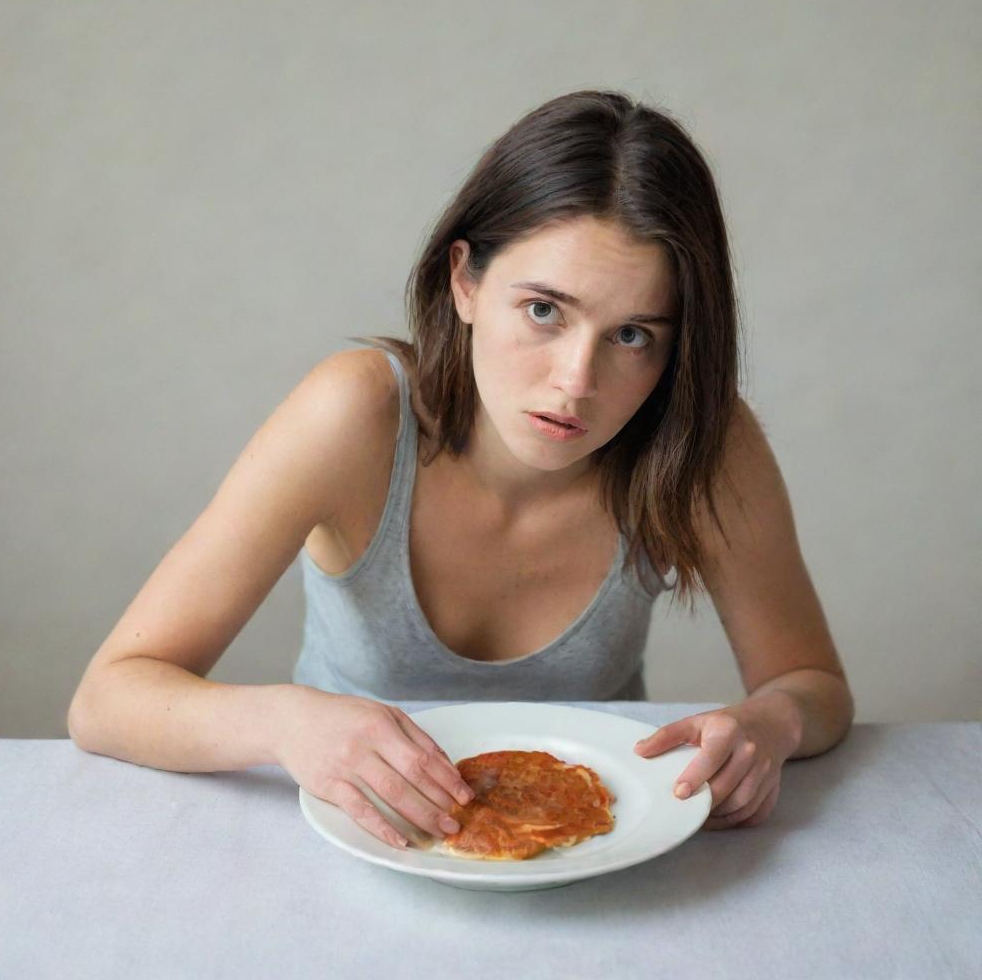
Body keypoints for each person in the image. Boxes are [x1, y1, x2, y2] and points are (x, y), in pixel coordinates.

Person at [68, 89, 854, 851]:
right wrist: (284, 722)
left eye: (633, 336)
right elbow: (108, 699)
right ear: (465, 280)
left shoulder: (707, 446)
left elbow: (811, 682)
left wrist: (767, 725)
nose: (575, 382)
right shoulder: (356, 416)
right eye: (544, 310)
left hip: (594, 858)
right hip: (352, 842)